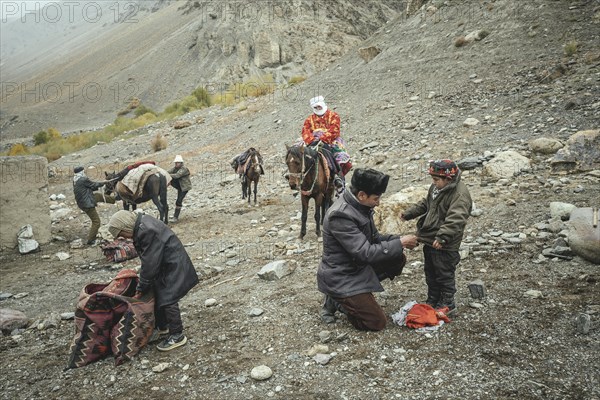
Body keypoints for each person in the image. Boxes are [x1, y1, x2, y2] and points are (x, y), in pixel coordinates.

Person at [317, 168, 418, 331]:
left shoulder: (359, 206)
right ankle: (339, 299)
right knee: (376, 323)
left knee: (397, 257)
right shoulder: (340, 215)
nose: (378, 202)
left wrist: (399, 240)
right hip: (342, 276)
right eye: (376, 198)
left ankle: (354, 297)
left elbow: (374, 239)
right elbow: (365, 252)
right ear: (362, 195)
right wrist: (400, 243)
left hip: (355, 267)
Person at [107, 210, 199, 352]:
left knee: (169, 297)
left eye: (120, 234)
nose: (122, 238)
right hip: (167, 262)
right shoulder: (142, 223)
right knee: (158, 291)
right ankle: (163, 326)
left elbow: (150, 263)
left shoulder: (146, 231)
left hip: (172, 263)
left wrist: (142, 286)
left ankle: (177, 334)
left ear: (125, 227)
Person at [401, 159, 472, 314]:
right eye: (433, 179)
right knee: (431, 271)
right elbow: (426, 204)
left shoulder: (459, 194)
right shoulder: (437, 187)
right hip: (430, 239)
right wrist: (409, 213)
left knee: (444, 272)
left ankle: (448, 303)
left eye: (436, 180)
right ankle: (433, 299)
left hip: (445, 243)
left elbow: (457, 218)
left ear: (448, 179)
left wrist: (442, 237)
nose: (434, 183)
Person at [301, 96, 352, 190]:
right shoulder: (309, 119)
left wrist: (323, 138)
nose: (317, 109)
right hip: (313, 141)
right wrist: (312, 140)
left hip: (330, 140)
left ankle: (337, 176)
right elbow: (305, 131)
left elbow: (334, 130)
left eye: (319, 107)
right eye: (315, 107)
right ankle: (301, 178)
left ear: (323, 105)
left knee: (339, 154)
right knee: (298, 152)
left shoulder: (333, 116)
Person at [72, 166, 115, 245]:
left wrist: (101, 183)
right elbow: (94, 185)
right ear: (81, 172)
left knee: (98, 196)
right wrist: (104, 182)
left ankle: (114, 199)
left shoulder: (75, 180)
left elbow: (90, 186)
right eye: (83, 171)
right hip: (87, 203)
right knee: (96, 222)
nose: (84, 172)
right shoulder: (83, 179)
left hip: (83, 202)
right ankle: (91, 240)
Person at [168, 155, 191, 223]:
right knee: (178, 200)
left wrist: (167, 175)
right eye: (175, 163)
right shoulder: (175, 168)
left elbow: (177, 175)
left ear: (181, 163)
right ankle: (175, 216)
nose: (176, 164)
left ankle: (176, 217)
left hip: (184, 187)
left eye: (177, 163)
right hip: (180, 187)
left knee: (178, 201)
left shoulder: (184, 169)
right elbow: (168, 171)